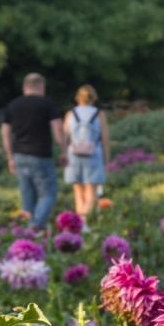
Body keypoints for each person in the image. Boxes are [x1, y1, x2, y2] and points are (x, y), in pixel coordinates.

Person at [1, 73, 66, 230]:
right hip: (41, 155)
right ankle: (34, 227)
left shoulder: (13, 105)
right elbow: (58, 130)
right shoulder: (47, 104)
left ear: (25, 86)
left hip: (19, 155)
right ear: (41, 86)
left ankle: (27, 232)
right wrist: (64, 150)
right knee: (48, 194)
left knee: (27, 198)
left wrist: (10, 157)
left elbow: (5, 132)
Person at [63, 85, 110, 230]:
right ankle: (83, 222)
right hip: (93, 155)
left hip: (74, 155)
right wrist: (107, 160)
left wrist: (64, 154)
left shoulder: (71, 114)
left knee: (78, 192)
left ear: (78, 98)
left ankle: (78, 223)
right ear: (94, 98)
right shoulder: (99, 114)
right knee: (91, 191)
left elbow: (65, 136)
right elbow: (105, 138)